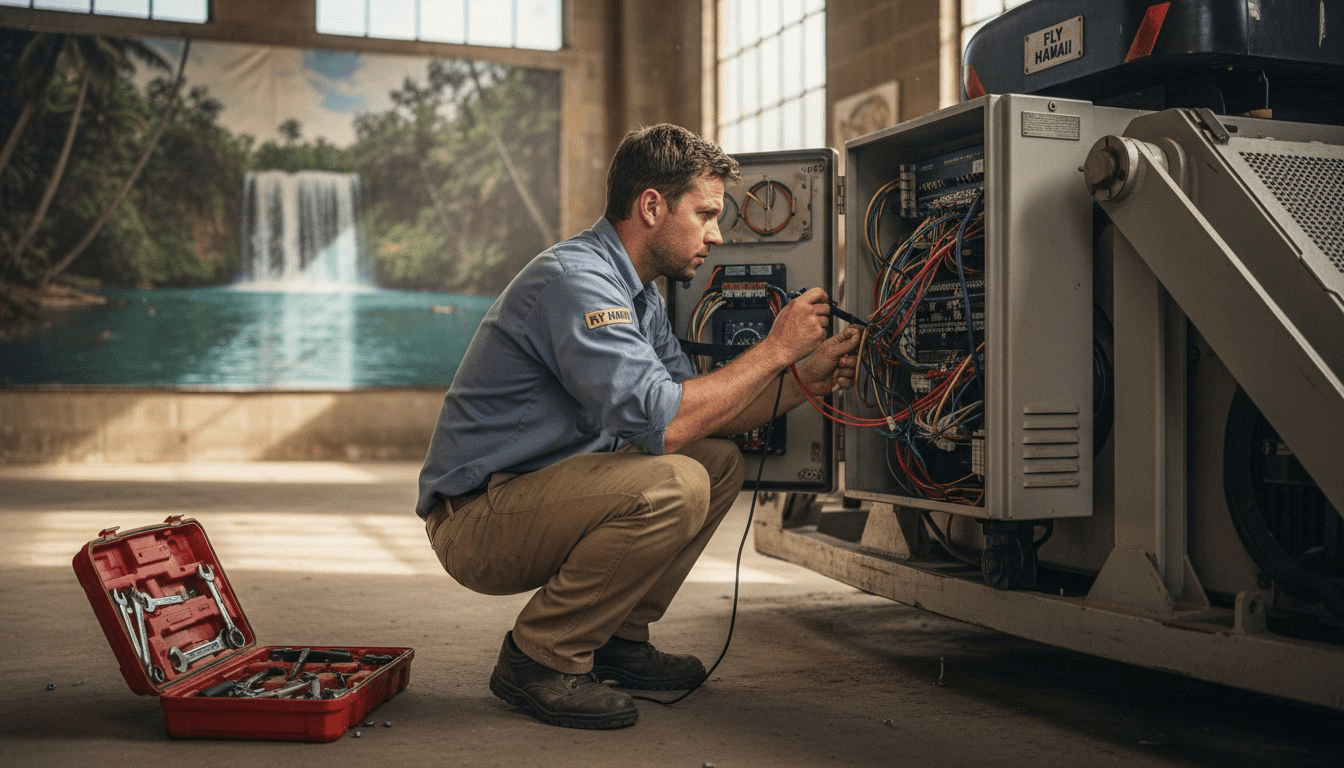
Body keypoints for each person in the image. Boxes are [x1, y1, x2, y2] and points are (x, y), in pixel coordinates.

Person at [417, 123, 860, 729]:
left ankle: (617, 640)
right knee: (676, 481)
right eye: (706, 214)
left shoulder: (640, 296)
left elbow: (700, 414)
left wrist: (804, 376)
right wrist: (776, 350)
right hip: (478, 522)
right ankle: (539, 657)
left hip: (537, 494)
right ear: (652, 206)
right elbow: (666, 425)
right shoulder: (577, 280)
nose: (717, 234)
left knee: (716, 462)